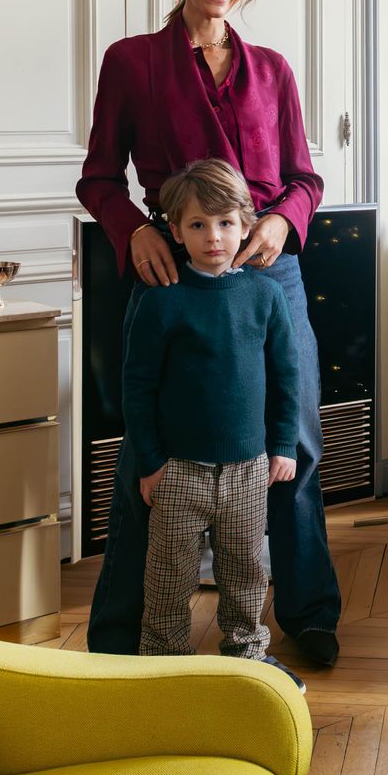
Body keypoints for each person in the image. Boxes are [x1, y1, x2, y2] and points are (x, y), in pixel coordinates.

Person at [77, 0, 343, 667]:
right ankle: (121, 632)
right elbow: (98, 177)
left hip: (267, 270)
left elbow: (305, 179)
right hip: (174, 272)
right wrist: (136, 230)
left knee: (294, 442)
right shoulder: (132, 62)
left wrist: (283, 224)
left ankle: (309, 611)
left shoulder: (275, 71)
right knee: (146, 450)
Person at [127, 159, 305, 692]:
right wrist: (151, 462)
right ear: (176, 231)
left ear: (247, 225)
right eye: (198, 225)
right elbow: (137, 387)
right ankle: (163, 664)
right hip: (178, 471)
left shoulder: (265, 294)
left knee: (247, 571)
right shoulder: (162, 301)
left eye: (226, 223)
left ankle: (249, 655)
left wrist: (281, 445)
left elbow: (287, 376)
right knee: (168, 578)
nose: (213, 237)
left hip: (250, 470)